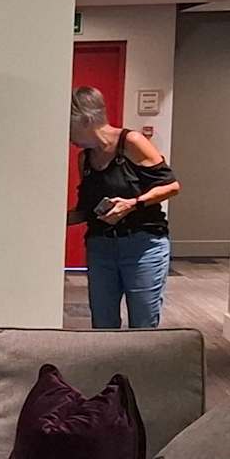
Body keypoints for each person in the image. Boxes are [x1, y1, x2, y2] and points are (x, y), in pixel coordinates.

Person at [67, 86, 180, 329]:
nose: (68, 136)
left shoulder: (131, 142)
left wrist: (132, 204)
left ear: (86, 120)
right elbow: (86, 209)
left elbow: (171, 186)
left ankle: (141, 357)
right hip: (100, 246)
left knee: (143, 322)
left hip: (142, 244)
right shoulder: (84, 158)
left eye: (69, 126)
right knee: (102, 323)